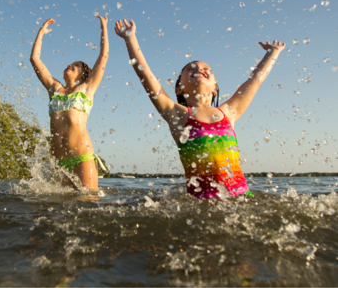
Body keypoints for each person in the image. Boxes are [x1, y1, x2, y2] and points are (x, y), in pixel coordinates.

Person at [115, 19, 285, 199]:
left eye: (207, 69)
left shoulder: (228, 111)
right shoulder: (177, 114)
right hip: (203, 204)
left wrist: (272, 53)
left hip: (242, 198)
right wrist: (130, 38)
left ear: (215, 88)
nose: (199, 69)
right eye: (190, 69)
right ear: (179, 88)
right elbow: (145, 73)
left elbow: (255, 80)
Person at [30, 16, 109, 192]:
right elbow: (35, 59)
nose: (70, 65)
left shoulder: (87, 89)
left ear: (84, 74)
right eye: (70, 63)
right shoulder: (54, 89)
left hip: (82, 158)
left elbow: (103, 56)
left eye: (76, 65)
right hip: (58, 162)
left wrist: (104, 26)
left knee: (87, 204)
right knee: (59, 210)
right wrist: (41, 33)